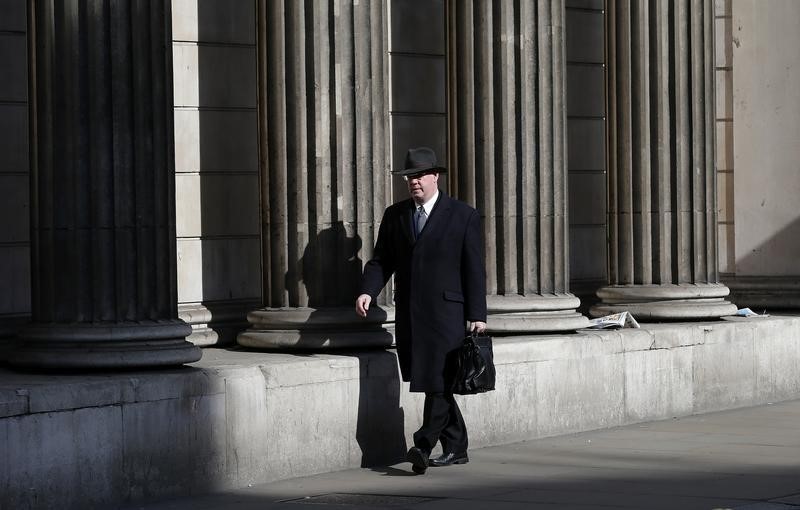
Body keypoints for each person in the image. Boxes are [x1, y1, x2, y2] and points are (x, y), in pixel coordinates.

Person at [355, 146, 487, 475]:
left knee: (439, 379)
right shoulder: (396, 215)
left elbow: (474, 269)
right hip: (412, 314)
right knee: (433, 381)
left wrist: (478, 314)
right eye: (408, 177)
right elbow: (382, 259)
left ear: (435, 177)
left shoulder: (463, 215)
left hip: (448, 314)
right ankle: (456, 446)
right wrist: (368, 291)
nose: (413, 182)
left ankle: (423, 444)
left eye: (419, 176)